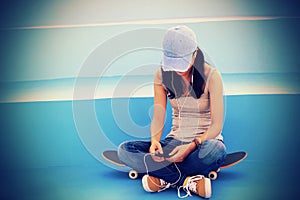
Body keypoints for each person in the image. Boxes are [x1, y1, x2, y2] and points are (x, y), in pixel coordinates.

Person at [118, 25, 226, 199]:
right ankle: (186, 181)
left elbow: (216, 126)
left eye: (182, 62)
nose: (177, 69)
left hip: (201, 145)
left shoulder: (212, 76)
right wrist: (154, 141)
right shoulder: (161, 76)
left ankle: (163, 178)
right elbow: (159, 116)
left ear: (195, 53)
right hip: (173, 143)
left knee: (216, 149)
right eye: (173, 62)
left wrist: (191, 146)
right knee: (125, 150)